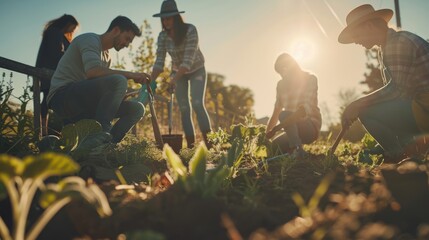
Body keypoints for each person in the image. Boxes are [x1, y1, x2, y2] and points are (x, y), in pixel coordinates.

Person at [338, 4, 429, 163]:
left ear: (369, 26)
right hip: (420, 106)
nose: (355, 42)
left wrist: (357, 105)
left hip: (424, 107)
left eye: (356, 36)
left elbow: (396, 90)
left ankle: (399, 155)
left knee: (366, 111)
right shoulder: (388, 45)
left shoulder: (397, 43)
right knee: (379, 108)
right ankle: (409, 149)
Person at [47, 16, 150, 148]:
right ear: (116, 30)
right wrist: (130, 75)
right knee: (119, 80)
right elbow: (93, 71)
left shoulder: (107, 57)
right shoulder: (90, 40)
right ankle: (102, 138)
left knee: (137, 109)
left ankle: (107, 146)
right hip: (62, 97)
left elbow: (99, 87)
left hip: (84, 103)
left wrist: (117, 97)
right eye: (127, 39)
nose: (127, 44)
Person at [151, 0, 212, 148]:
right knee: (184, 107)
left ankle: (211, 144)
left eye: (169, 18)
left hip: (196, 68)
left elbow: (188, 61)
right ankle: (191, 147)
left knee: (197, 103)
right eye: (163, 19)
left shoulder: (190, 30)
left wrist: (173, 80)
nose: (165, 21)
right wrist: (151, 81)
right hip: (178, 73)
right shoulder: (162, 37)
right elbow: (160, 61)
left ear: (176, 17)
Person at [266, 53, 322, 157]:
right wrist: (266, 137)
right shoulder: (280, 85)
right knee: (273, 148)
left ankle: (297, 149)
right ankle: (293, 147)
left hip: (309, 126)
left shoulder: (310, 78)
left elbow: (304, 109)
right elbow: (276, 112)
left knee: (284, 115)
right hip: (290, 128)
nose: (281, 76)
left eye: (282, 72)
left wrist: (278, 127)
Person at [36, 14, 79, 136]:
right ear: (67, 24)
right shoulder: (54, 33)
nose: (72, 31)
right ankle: (46, 131)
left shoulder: (55, 33)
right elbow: (57, 53)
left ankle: (45, 130)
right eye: (72, 27)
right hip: (51, 72)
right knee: (54, 99)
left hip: (51, 71)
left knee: (48, 99)